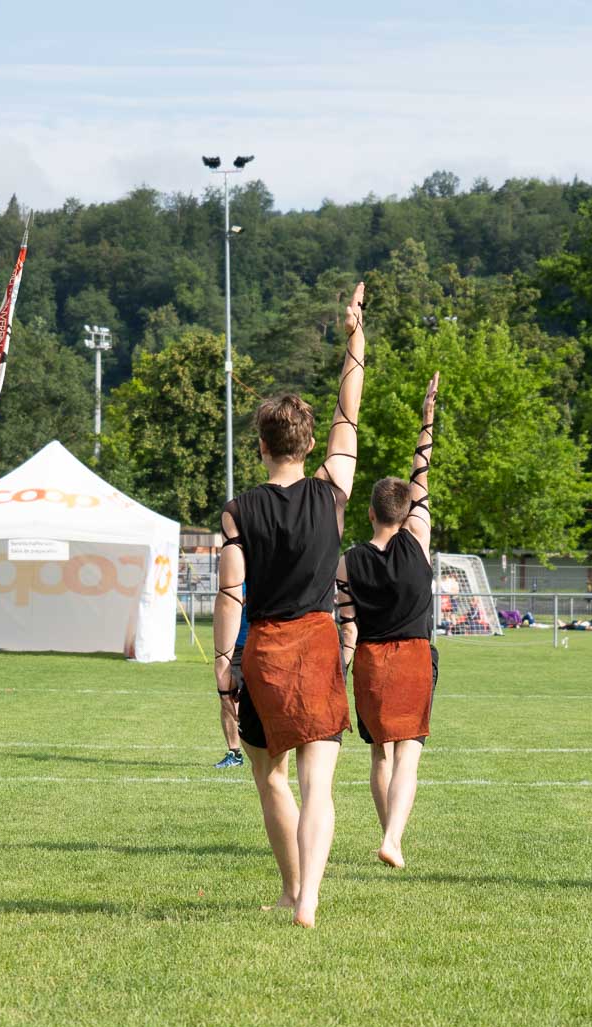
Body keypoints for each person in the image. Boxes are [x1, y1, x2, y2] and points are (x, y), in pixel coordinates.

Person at [214, 281, 367, 930]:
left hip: (266, 649)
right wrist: (355, 337)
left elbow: (230, 593)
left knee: (270, 777)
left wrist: (223, 664)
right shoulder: (332, 491)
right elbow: (348, 414)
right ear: (307, 445)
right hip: (318, 644)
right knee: (318, 785)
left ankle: (291, 888)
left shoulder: (238, 510)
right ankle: (307, 900)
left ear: (261, 444)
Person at [339, 371, 439, 870]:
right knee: (409, 753)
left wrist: (339, 669)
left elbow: (347, 624)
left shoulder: (348, 561)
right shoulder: (417, 538)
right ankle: (393, 838)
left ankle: (388, 835)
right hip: (414, 657)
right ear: (405, 512)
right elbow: (422, 475)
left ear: (371, 512)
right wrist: (427, 420)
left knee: (380, 753)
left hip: (371, 660)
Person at [213, 584, 249, 769]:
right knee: (228, 695)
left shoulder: (265, 573)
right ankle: (234, 752)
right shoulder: (235, 578)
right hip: (235, 644)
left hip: (263, 641)